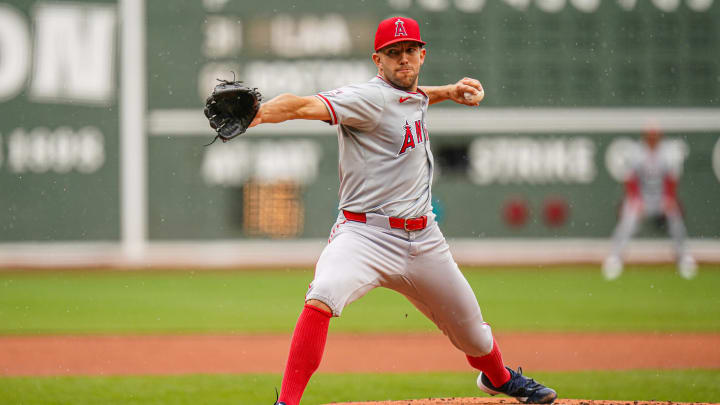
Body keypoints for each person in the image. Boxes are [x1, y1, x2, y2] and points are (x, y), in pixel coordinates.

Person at [249, 16, 557, 405]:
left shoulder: (413, 94)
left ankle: (498, 378)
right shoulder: (368, 98)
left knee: (474, 335)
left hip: (423, 239)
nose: (403, 59)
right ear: (378, 61)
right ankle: (286, 402)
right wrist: (260, 113)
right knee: (323, 293)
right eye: (393, 53)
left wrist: (449, 90)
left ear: (422, 54)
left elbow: (414, 96)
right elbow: (304, 105)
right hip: (365, 236)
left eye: (410, 50)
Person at [602, 128, 697, 280]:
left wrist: (669, 199)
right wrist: (636, 200)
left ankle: (684, 258)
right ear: (645, 137)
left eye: (655, 136)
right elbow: (630, 179)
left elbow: (672, 178)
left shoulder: (667, 152)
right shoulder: (637, 152)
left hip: (661, 198)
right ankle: (615, 258)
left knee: (676, 221)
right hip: (641, 198)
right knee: (627, 222)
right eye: (650, 136)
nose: (652, 138)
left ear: (660, 136)